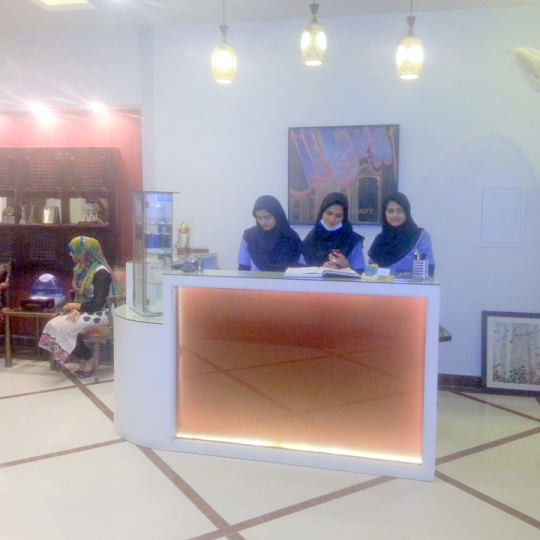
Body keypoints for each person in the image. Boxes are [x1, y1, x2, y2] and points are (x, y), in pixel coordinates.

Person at [39, 236, 120, 378]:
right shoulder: (80, 269)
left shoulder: (101, 272)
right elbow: (79, 296)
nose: (71, 255)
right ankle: (85, 357)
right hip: (87, 310)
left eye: (74, 251)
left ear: (84, 252)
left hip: (104, 312)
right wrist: (74, 310)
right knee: (53, 324)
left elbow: (98, 303)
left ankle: (88, 358)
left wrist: (74, 306)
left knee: (66, 327)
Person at [368, 192, 435, 276]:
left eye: (399, 210)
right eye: (390, 211)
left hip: (413, 284)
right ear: (384, 214)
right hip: (383, 284)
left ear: (406, 212)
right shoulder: (380, 239)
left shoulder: (420, 236)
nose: (395, 215)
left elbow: (428, 270)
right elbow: (370, 273)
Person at [301, 192, 365, 273]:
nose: (332, 219)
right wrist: (321, 267)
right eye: (329, 213)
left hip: (344, 281)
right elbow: (299, 270)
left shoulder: (353, 240)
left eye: (338, 216)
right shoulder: (311, 238)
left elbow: (361, 274)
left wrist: (346, 266)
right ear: (322, 213)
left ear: (344, 217)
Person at [237, 195, 302, 272]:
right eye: (259, 218)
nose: (263, 222)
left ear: (277, 216)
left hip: (285, 280)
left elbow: (300, 269)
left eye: (267, 218)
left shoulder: (292, 238)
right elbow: (243, 268)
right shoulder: (249, 237)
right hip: (255, 279)